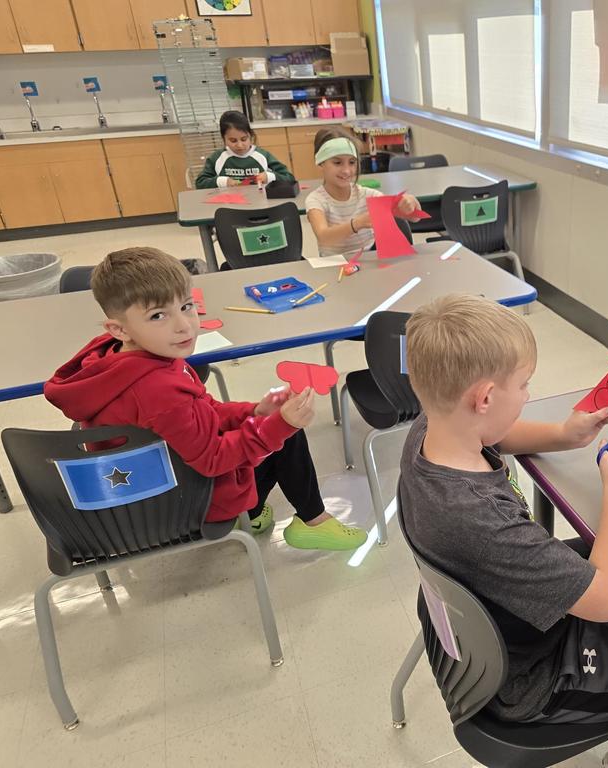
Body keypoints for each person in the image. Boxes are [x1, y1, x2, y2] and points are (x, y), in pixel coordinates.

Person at [400, 295, 608, 768]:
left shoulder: (434, 427)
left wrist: (563, 434)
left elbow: (495, 434)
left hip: (502, 626)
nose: (529, 393)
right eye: (524, 384)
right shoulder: (479, 520)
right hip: (535, 682)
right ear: (486, 398)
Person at [44, 247, 366, 551]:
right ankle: (308, 520)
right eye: (158, 316)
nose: (184, 326)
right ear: (119, 329)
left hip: (155, 483)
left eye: (185, 307)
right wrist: (280, 424)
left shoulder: (131, 355)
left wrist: (255, 410)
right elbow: (212, 461)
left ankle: (265, 512)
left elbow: (203, 410)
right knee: (286, 434)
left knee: (271, 426)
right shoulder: (157, 388)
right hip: (180, 502)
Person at [305, 126, 421, 256]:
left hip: (368, 260)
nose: (346, 170)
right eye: (337, 163)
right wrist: (358, 223)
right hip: (333, 265)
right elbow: (324, 237)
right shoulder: (316, 200)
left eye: (352, 162)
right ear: (320, 163)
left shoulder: (368, 195)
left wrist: (410, 202)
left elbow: (414, 217)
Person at [195, 111, 295, 189]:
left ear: (250, 135)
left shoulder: (262, 156)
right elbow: (200, 183)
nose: (240, 145)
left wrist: (268, 177)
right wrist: (223, 182)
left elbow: (289, 178)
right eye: (233, 140)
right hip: (230, 206)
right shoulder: (217, 158)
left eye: (244, 139)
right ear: (223, 139)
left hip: (261, 204)